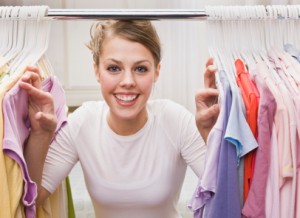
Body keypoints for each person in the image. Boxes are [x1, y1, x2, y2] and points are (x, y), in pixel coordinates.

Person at [20, 20, 219, 218]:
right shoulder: (83, 122)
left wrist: (211, 135)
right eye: (114, 68)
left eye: (140, 69)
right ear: (97, 71)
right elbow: (34, 199)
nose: (127, 82)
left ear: (156, 72)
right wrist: (40, 134)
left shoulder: (176, 120)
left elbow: (223, 193)